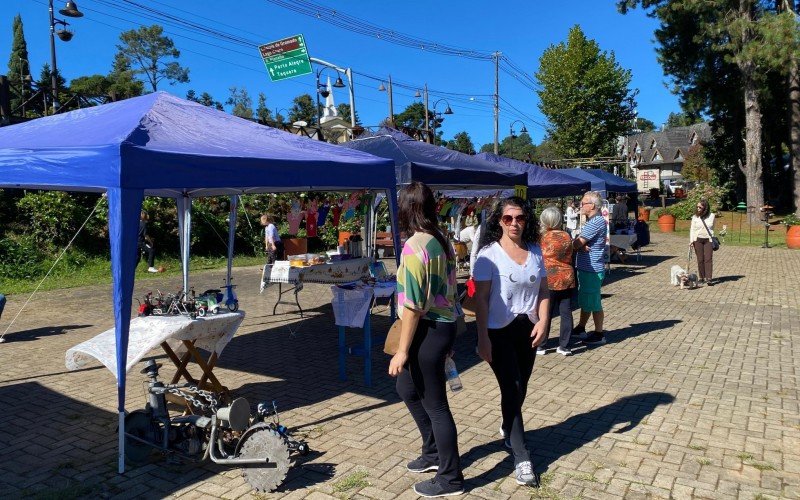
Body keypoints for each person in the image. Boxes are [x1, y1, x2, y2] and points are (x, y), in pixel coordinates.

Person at [388, 181, 464, 498]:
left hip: (429, 329)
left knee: (436, 406)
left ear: (405, 209)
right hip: (441, 326)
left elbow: (413, 306)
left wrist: (401, 351)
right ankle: (433, 454)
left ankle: (451, 479)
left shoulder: (416, 246)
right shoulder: (438, 239)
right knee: (406, 387)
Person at [473, 196, 549, 487]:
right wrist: (482, 338)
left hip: (527, 329)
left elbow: (543, 290)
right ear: (499, 221)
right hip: (497, 330)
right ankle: (521, 456)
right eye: (508, 218)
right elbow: (480, 300)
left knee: (520, 386)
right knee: (512, 386)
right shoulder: (488, 256)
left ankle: (507, 427)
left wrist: (544, 321)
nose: (515, 223)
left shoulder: (535, 251)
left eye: (520, 218)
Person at [538, 206, 575, 356]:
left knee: (545, 311)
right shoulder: (567, 235)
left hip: (549, 277)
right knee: (566, 312)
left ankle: (541, 344)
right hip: (567, 276)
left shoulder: (543, 237)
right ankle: (564, 346)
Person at [572, 191, 608, 345]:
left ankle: (599, 333)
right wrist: (580, 245)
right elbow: (581, 244)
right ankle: (581, 327)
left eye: (583, 203)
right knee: (587, 299)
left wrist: (579, 245)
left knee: (593, 302)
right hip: (588, 267)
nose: (581, 205)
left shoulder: (595, 222)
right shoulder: (594, 220)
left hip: (591, 269)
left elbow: (576, 243)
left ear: (592, 205)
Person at [690, 199, 716, 285]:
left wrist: (711, 236)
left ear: (705, 207)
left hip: (708, 239)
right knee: (700, 259)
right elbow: (692, 229)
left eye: (700, 207)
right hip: (697, 240)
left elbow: (712, 228)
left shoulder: (712, 216)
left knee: (708, 259)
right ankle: (701, 277)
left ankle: (709, 278)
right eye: (697, 207)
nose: (698, 208)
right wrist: (691, 241)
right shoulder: (695, 217)